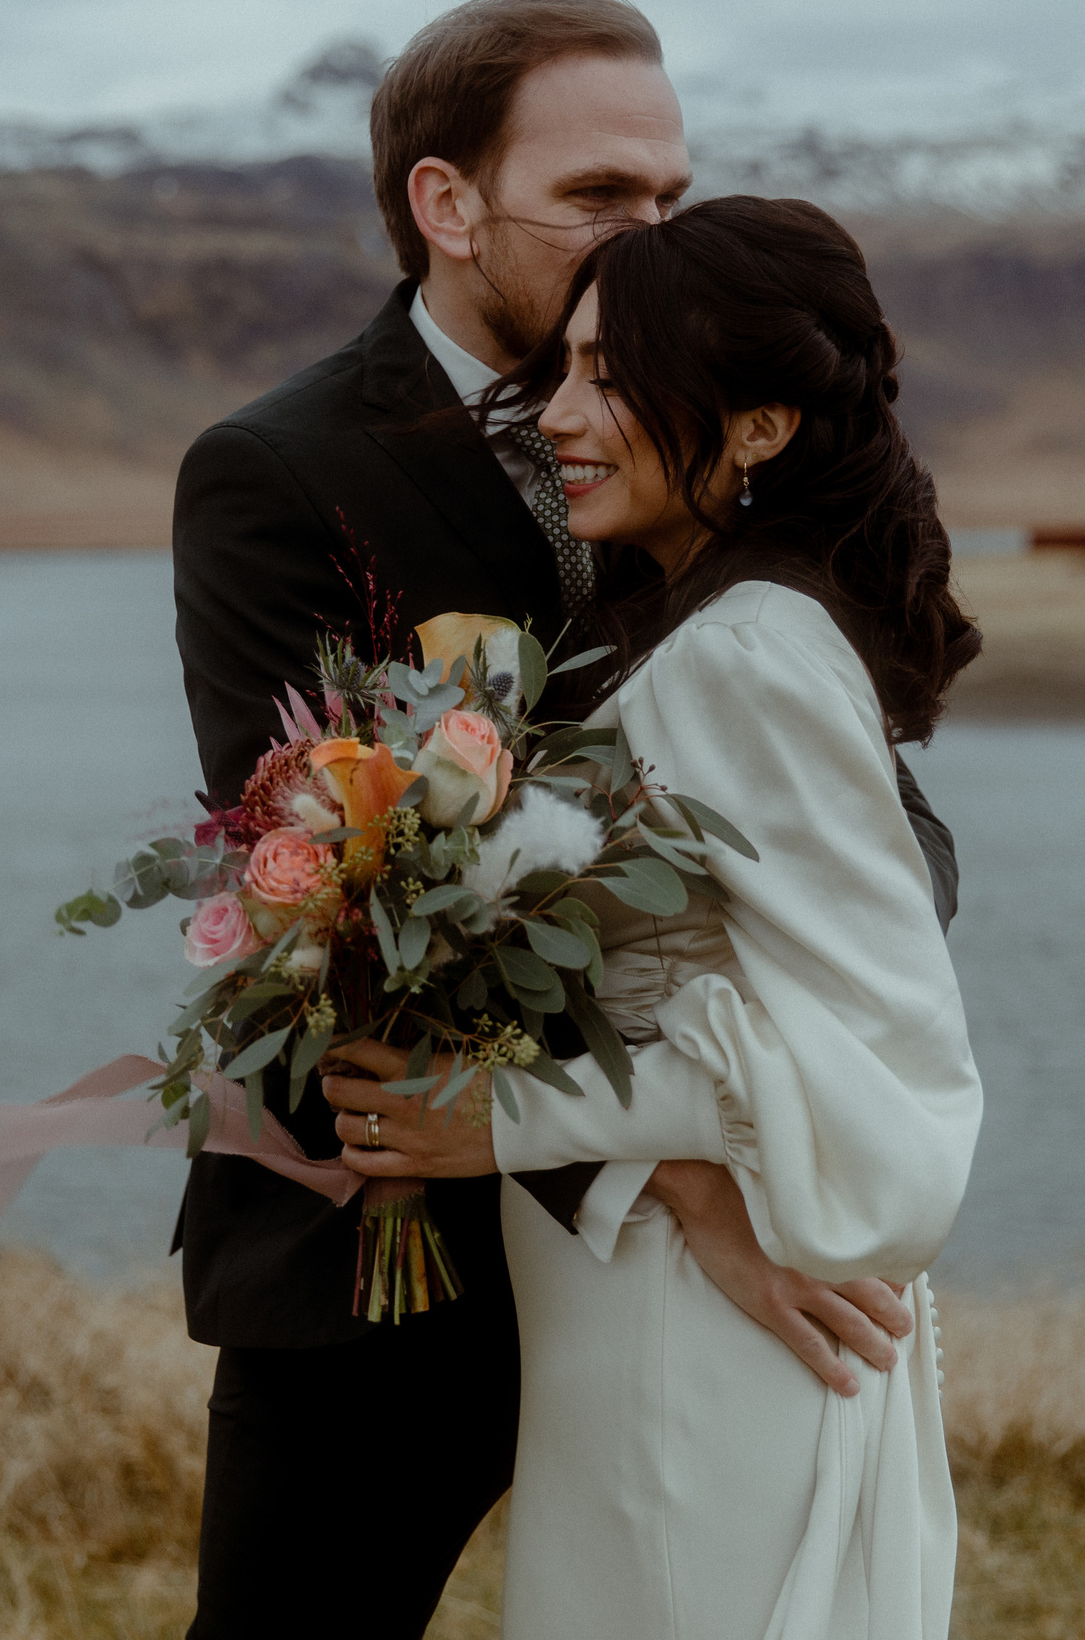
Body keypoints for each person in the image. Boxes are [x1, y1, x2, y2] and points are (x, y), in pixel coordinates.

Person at [172, 0, 957, 1638]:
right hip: (389, 1244)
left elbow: (885, 854)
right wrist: (694, 1189)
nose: (649, 234)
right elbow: (312, 866)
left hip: (659, 1266)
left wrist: (727, 1170)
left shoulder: (702, 441)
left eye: (670, 195)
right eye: (603, 199)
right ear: (445, 205)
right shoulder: (276, 469)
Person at [321, 196, 985, 1639]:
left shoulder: (750, 650)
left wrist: (501, 1118)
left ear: (757, 427)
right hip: (633, 1298)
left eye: (612, 376)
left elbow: (871, 1051)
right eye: (563, 366)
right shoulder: (685, 621)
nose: (557, 416)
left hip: (704, 1320)